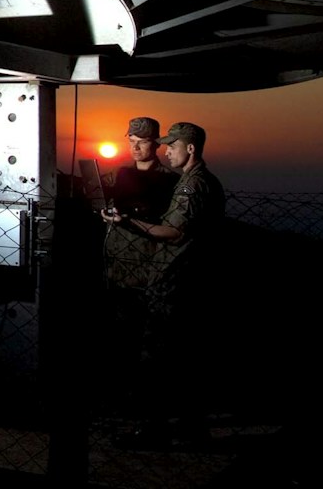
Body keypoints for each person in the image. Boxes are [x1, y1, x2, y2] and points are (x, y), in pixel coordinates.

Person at [102, 121, 224, 446]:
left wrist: (128, 221)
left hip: (175, 277)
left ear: (191, 149)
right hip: (183, 276)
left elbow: (174, 232)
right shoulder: (194, 181)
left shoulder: (189, 185)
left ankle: (153, 429)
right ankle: (189, 427)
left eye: (172, 145)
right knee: (182, 357)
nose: (166, 150)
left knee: (157, 356)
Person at [100, 117, 178, 292]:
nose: (135, 148)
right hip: (114, 262)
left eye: (142, 142)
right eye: (131, 141)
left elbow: (173, 228)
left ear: (157, 144)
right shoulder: (118, 174)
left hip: (146, 264)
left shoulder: (170, 181)